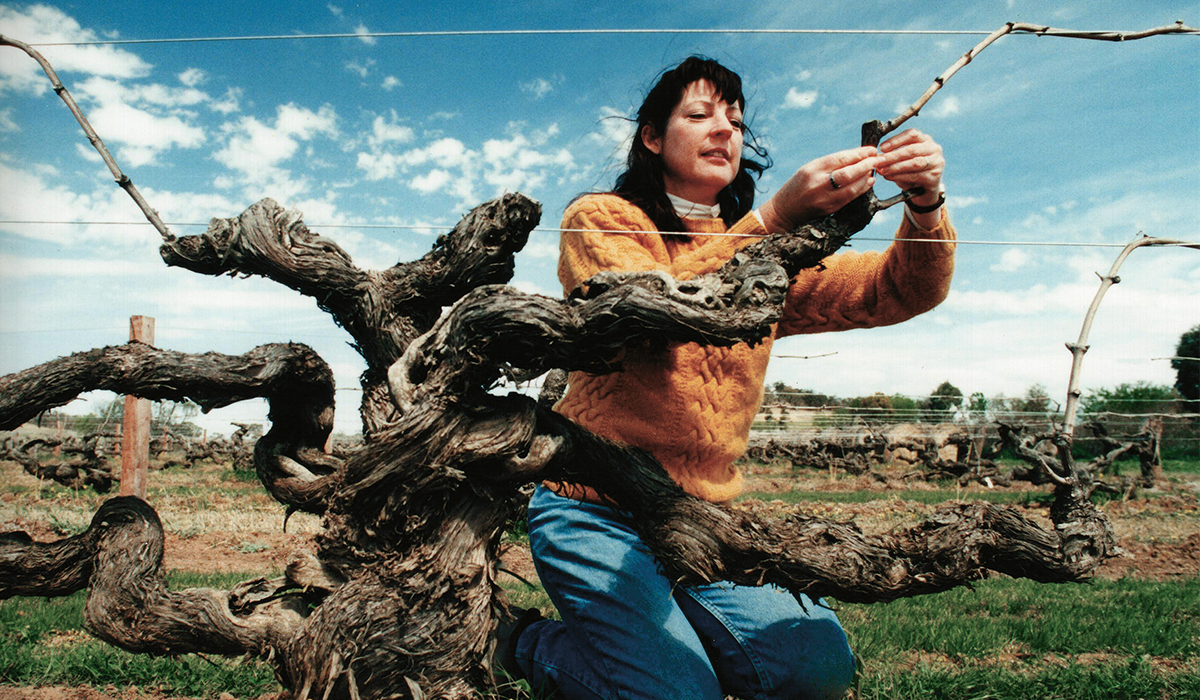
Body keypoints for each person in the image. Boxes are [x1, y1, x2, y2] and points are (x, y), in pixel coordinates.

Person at [503, 56, 956, 700]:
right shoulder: (604, 219)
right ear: (652, 138)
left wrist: (925, 203)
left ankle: (662, 639)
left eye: (736, 120)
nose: (725, 131)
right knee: (680, 694)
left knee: (817, 667)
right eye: (700, 115)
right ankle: (520, 643)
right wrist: (774, 218)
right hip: (593, 510)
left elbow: (899, 291)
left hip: (700, 516)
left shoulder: (771, 261)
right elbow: (649, 311)